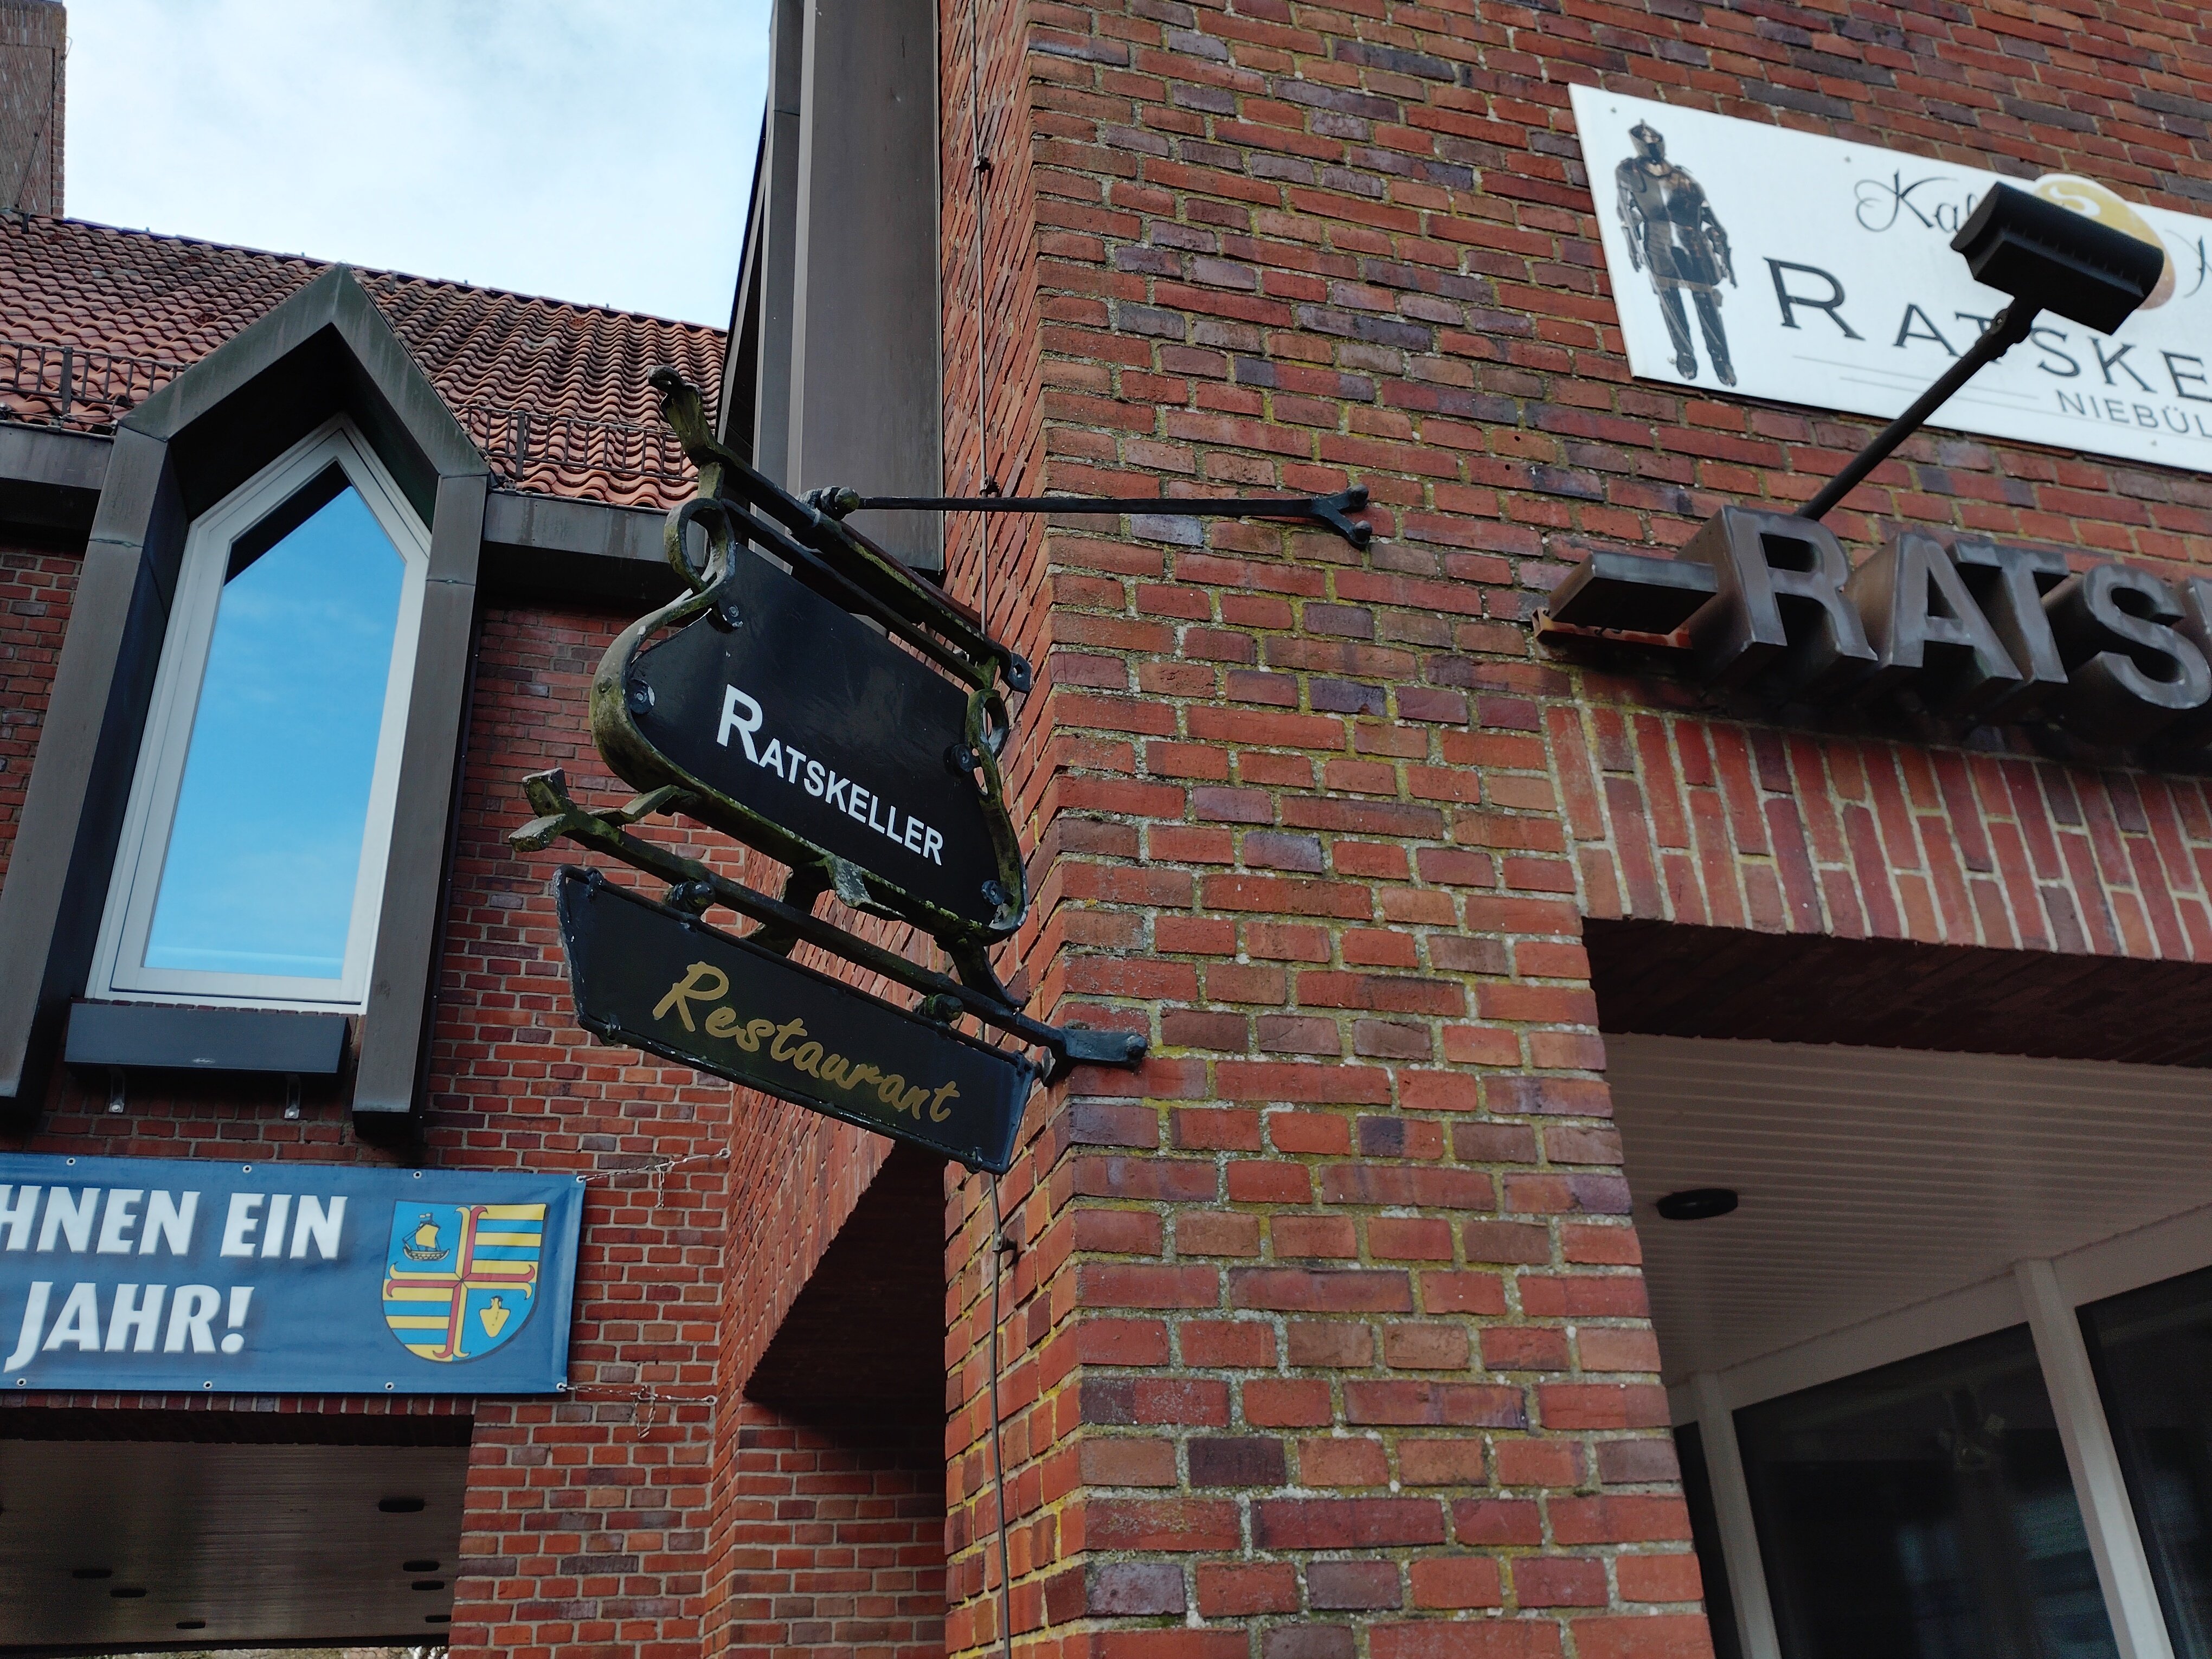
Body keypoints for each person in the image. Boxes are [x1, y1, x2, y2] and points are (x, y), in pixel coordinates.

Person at [1615, 121, 1738, 385]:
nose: (1652, 145)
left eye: (1655, 140)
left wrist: (1721, 246)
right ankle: (1685, 356)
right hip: (1658, 238)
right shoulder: (1629, 171)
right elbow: (1626, 211)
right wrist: (1632, 245)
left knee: (1706, 300)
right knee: (1670, 300)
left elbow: (1706, 213)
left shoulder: (1682, 177)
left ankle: (1721, 359)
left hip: (1692, 239)